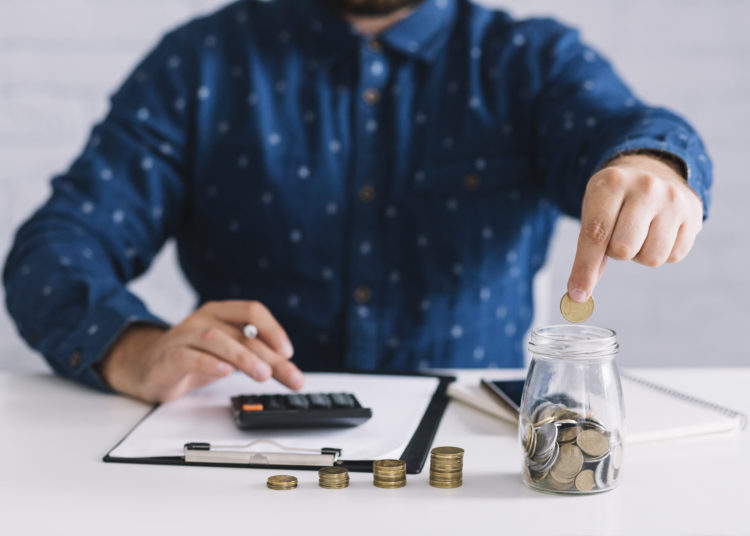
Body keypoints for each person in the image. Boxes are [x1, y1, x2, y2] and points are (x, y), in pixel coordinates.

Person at [2, 0, 711, 403]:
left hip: (472, 466)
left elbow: (632, 131)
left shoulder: (527, 60)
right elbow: (54, 248)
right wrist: (133, 349)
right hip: (241, 458)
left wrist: (652, 163)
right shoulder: (200, 64)